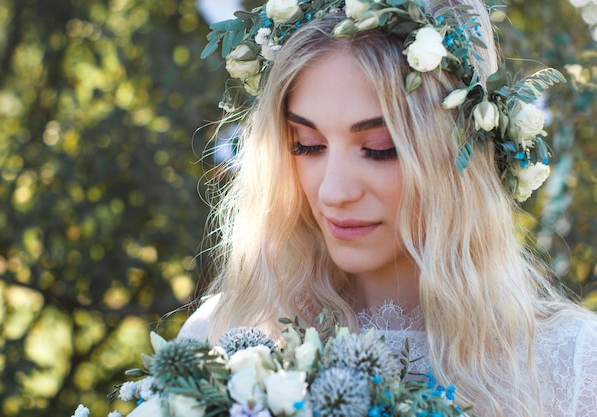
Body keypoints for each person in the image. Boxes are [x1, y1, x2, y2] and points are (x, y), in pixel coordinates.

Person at [180, 0, 597, 416]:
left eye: (380, 149)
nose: (333, 191)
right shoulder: (222, 337)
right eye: (307, 144)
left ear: (458, 156)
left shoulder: (573, 365)